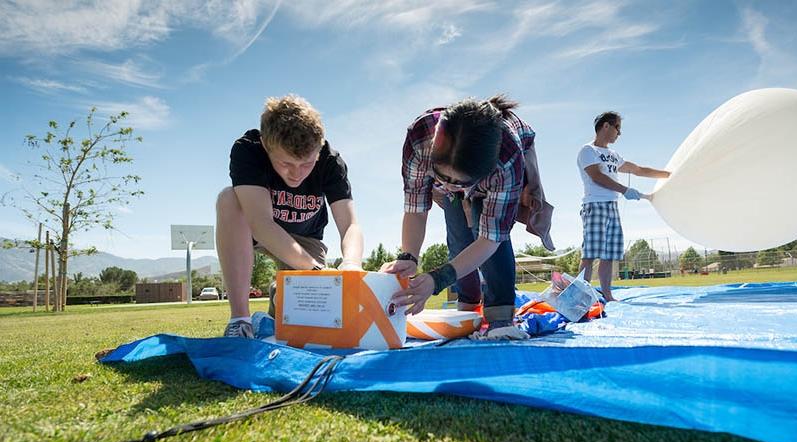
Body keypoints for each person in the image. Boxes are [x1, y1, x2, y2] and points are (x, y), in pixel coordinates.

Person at [382, 95, 553, 340]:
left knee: (484, 224)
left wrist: (437, 279)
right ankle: (468, 308)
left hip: (505, 169)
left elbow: (490, 239)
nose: (451, 187)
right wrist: (409, 256)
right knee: (458, 234)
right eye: (443, 177)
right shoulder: (420, 138)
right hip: (466, 169)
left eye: (460, 182)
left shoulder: (507, 159)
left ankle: (501, 315)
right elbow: (416, 208)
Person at [216, 95, 363, 338]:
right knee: (229, 199)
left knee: (313, 317)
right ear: (266, 145)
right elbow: (261, 223)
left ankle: (280, 292)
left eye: (306, 164)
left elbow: (350, 225)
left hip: (306, 238)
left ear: (319, 148)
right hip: (256, 228)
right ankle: (240, 319)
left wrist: (351, 265)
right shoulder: (248, 150)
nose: (296, 174)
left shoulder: (331, 162)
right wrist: (315, 270)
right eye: (285, 163)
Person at [577, 111, 669, 302]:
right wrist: (625, 190)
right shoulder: (588, 151)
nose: (619, 133)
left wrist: (668, 175)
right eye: (617, 127)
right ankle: (580, 296)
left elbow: (638, 170)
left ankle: (607, 295)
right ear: (606, 126)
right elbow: (597, 176)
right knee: (591, 253)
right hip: (595, 205)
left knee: (609, 254)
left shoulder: (613, 155)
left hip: (612, 207)